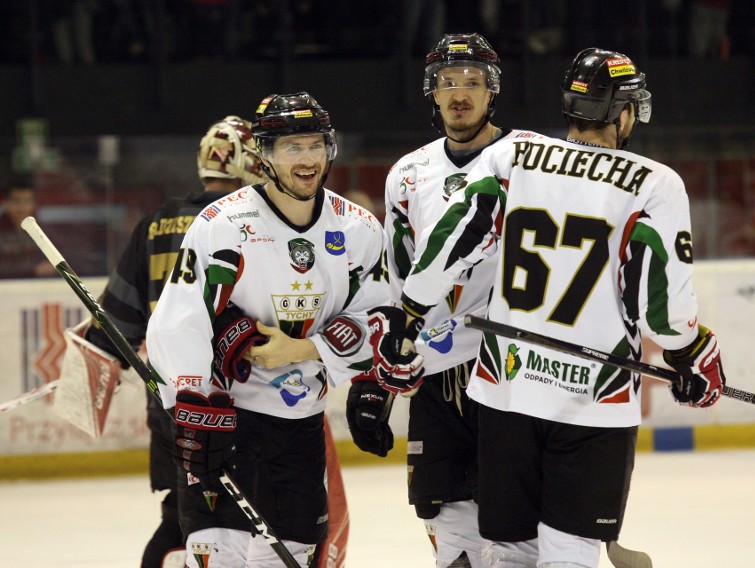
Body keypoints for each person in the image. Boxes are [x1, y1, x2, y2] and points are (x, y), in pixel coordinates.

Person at [374, 47, 727, 567]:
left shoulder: (515, 157)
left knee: (508, 551)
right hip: (592, 399)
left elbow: (449, 241)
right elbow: (664, 312)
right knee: (570, 551)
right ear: (623, 113)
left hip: (504, 390)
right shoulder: (655, 183)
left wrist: (409, 311)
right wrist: (691, 355)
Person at [146, 93, 386, 567]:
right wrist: (191, 400)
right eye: (292, 147)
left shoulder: (358, 229)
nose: (308, 159)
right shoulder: (222, 225)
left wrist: (310, 349)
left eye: (316, 145)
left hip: (299, 428)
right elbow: (179, 318)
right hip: (226, 421)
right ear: (265, 155)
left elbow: (378, 317)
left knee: (288, 556)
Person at [347, 33, 542, 568]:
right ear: (431, 93)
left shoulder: (526, 159)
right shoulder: (408, 174)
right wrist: (376, 377)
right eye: (447, 83)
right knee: (447, 525)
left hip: (506, 367)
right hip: (432, 373)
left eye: (473, 83)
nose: (460, 93)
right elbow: (396, 280)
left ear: (491, 91)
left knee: (516, 525)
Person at [83, 116, 266, 567]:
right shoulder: (254, 221)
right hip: (241, 399)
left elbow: (114, 328)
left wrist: (93, 346)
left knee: (181, 516)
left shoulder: (155, 224)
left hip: (168, 400)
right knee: (250, 519)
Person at [0, 174, 55, 279]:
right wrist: (32, 269)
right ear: (6, 203)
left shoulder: (44, 232)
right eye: (16, 201)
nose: (21, 207)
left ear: (34, 203)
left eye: (27, 201)